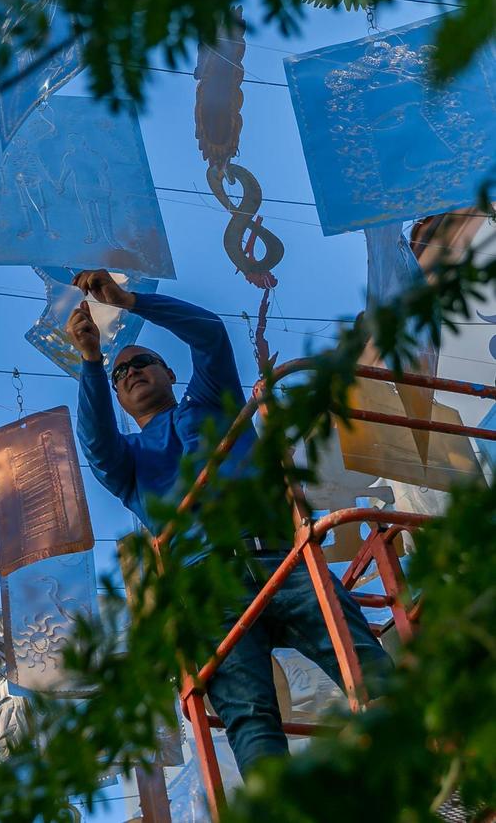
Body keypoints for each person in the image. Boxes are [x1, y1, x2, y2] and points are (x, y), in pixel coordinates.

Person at [65, 269, 393, 776]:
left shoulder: (213, 403)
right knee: (250, 716)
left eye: (141, 362)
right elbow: (95, 444)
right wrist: (91, 361)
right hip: (206, 584)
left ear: (169, 373)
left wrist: (128, 301)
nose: (130, 372)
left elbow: (211, 334)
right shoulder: (128, 463)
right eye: (120, 375)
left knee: (363, 659)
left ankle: (440, 775)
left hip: (280, 558)